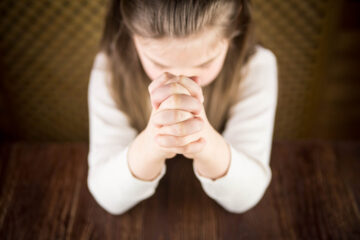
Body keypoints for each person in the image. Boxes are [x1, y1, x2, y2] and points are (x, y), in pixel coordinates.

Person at [87, 0, 278, 215]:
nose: (184, 80)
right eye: (159, 64)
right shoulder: (109, 72)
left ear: (233, 26)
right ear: (132, 34)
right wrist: (153, 141)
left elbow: (246, 196)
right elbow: (108, 196)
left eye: (205, 63)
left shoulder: (256, 67)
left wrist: (203, 141)